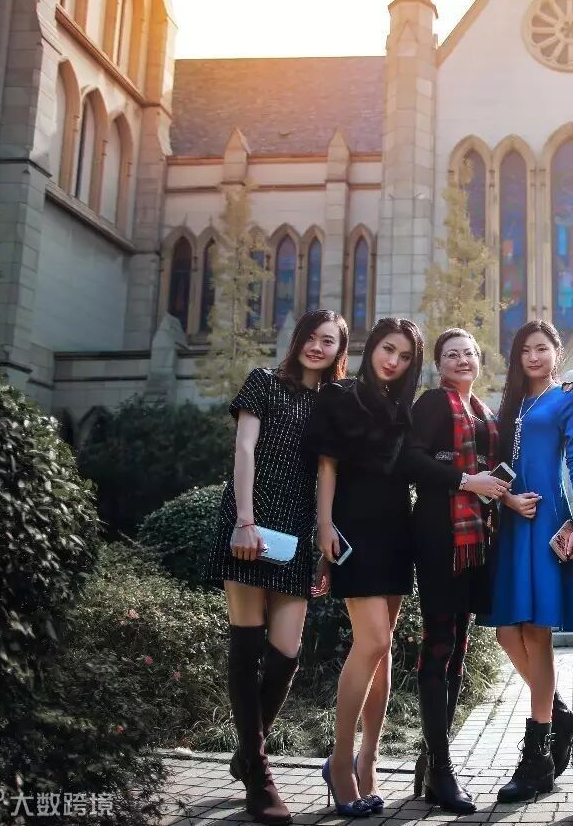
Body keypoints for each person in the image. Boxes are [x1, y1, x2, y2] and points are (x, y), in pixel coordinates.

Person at [202, 309, 348, 826]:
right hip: (250, 525)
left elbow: (329, 475)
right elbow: (244, 448)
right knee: (245, 649)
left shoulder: (332, 403)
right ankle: (260, 775)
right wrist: (245, 520)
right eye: (312, 337)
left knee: (286, 653)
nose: (317, 347)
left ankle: (248, 751)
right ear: (298, 339)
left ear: (339, 351)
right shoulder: (263, 383)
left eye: (328, 341)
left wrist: (324, 545)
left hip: (296, 535)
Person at [303, 317, 424, 818]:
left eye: (404, 356)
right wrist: (324, 525)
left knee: (384, 649)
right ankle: (338, 762)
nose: (393, 361)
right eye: (387, 349)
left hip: (396, 528)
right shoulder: (340, 396)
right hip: (353, 528)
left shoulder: (401, 406)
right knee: (371, 641)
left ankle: (368, 761)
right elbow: (326, 465)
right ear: (372, 346)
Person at [401, 328, 512, 815]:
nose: (463, 360)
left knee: (460, 646)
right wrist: (467, 479)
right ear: (439, 364)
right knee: (439, 641)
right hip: (439, 535)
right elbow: (410, 460)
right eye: (452, 354)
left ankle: (432, 760)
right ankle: (441, 770)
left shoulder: (484, 413)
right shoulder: (431, 404)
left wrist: (502, 492)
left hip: (477, 538)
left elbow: (494, 473)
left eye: (469, 353)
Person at [481, 319, 573, 803]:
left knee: (537, 633)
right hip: (512, 523)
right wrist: (506, 500)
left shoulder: (567, 400)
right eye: (525, 349)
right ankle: (560, 716)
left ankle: (538, 757)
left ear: (556, 352)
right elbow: (497, 469)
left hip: (548, 521)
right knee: (507, 632)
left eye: (542, 348)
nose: (533, 356)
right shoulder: (511, 405)